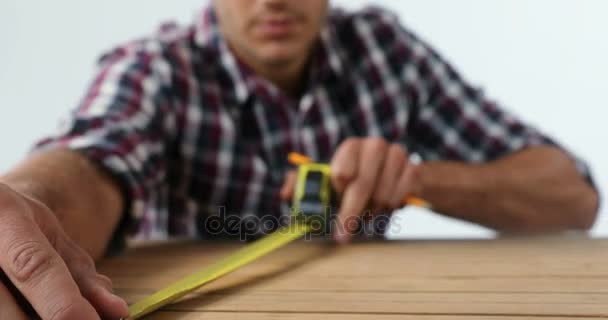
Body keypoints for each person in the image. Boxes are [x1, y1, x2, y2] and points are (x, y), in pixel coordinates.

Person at [0, 0, 599, 319]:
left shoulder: (384, 51)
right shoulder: (153, 70)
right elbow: (84, 165)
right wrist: (23, 210)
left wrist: (418, 178)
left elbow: (573, 197)